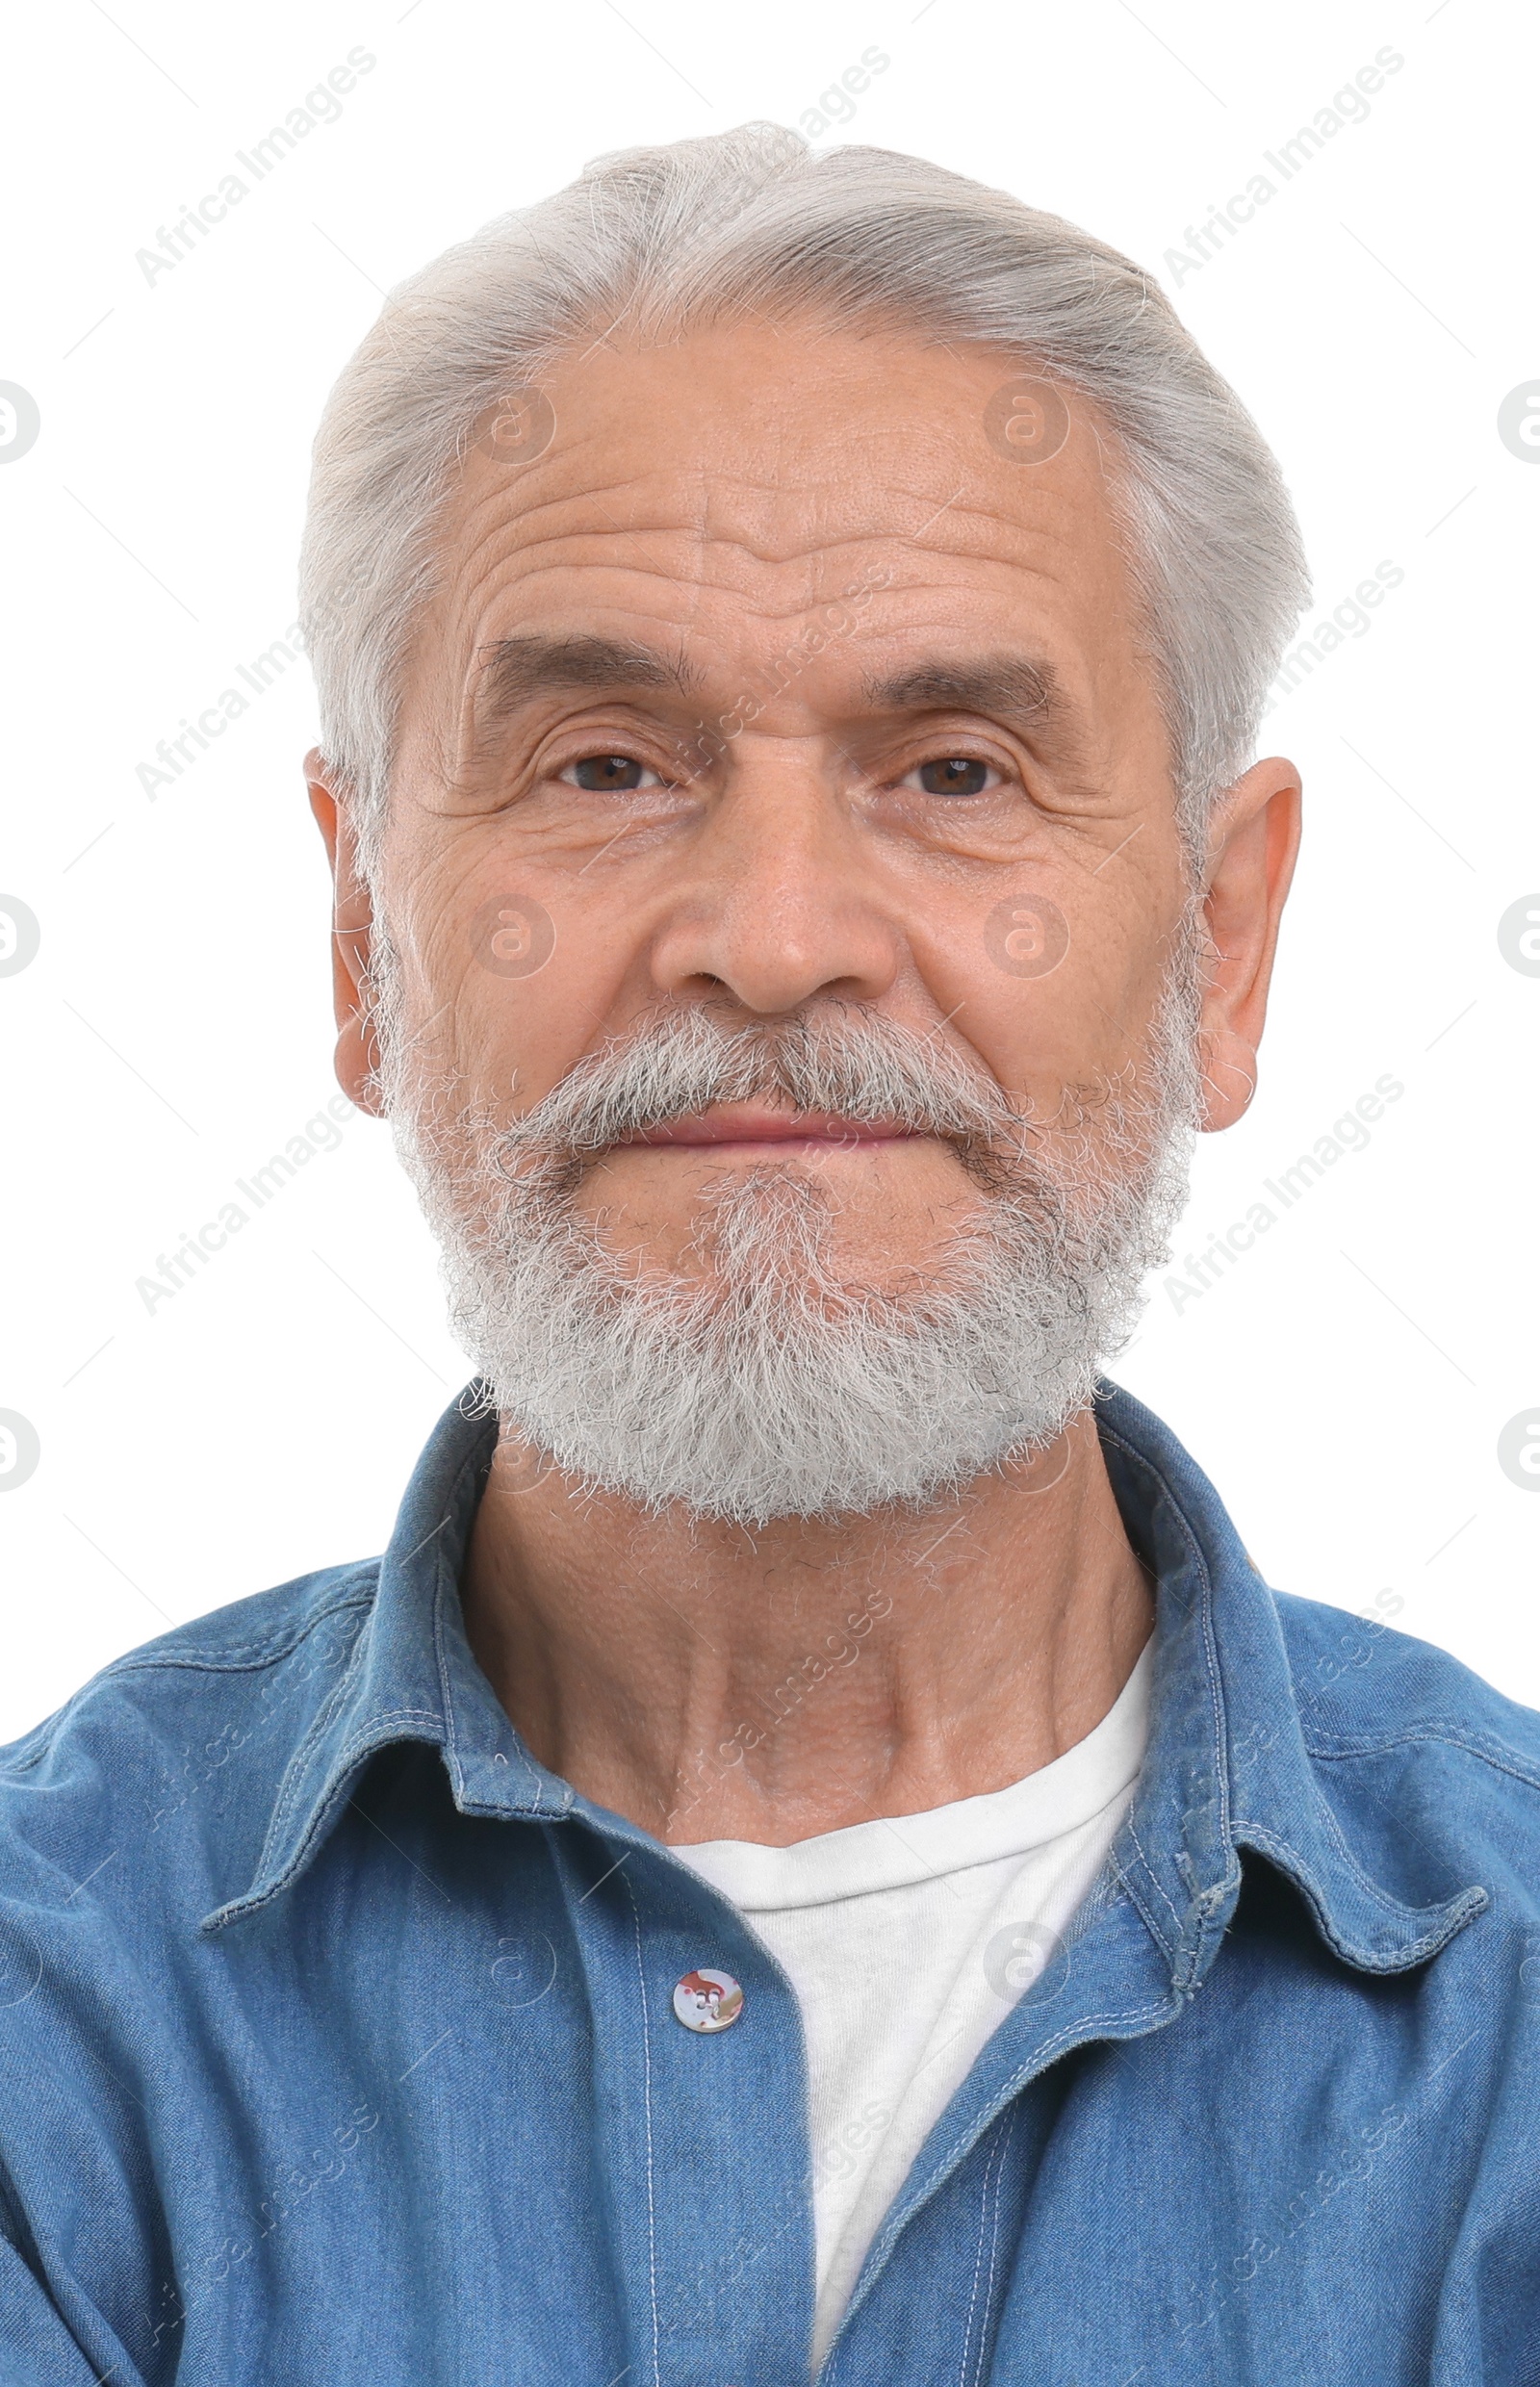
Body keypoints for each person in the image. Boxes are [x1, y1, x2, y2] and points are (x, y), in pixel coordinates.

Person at [3, 121, 1536, 2386]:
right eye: (607, 765)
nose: (777, 943)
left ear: (1219, 939)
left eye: (954, 769)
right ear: (360, 934)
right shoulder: (54, 2012)